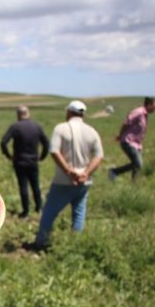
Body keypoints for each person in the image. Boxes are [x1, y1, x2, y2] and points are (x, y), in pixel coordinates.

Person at [24, 100, 104, 252]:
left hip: (63, 181)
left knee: (49, 212)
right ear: (83, 115)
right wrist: (86, 173)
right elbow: (99, 156)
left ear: (68, 112)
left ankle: (41, 242)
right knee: (79, 213)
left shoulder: (61, 128)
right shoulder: (92, 131)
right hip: (84, 181)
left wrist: (68, 171)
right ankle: (75, 245)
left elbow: (54, 151)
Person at [0, 105, 50, 218]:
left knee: (23, 186)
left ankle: (26, 211)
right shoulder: (37, 126)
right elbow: (46, 143)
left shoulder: (15, 127)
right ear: (28, 113)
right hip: (33, 161)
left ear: (18, 114)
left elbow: (3, 142)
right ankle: (39, 208)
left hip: (19, 161)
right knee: (35, 185)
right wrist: (42, 156)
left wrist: (8, 155)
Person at [108, 97, 155, 181]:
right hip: (128, 142)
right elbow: (126, 123)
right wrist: (120, 135)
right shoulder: (138, 112)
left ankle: (134, 186)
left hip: (137, 144)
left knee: (136, 166)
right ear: (149, 105)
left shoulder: (145, 114)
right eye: (154, 107)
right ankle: (114, 171)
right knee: (138, 164)